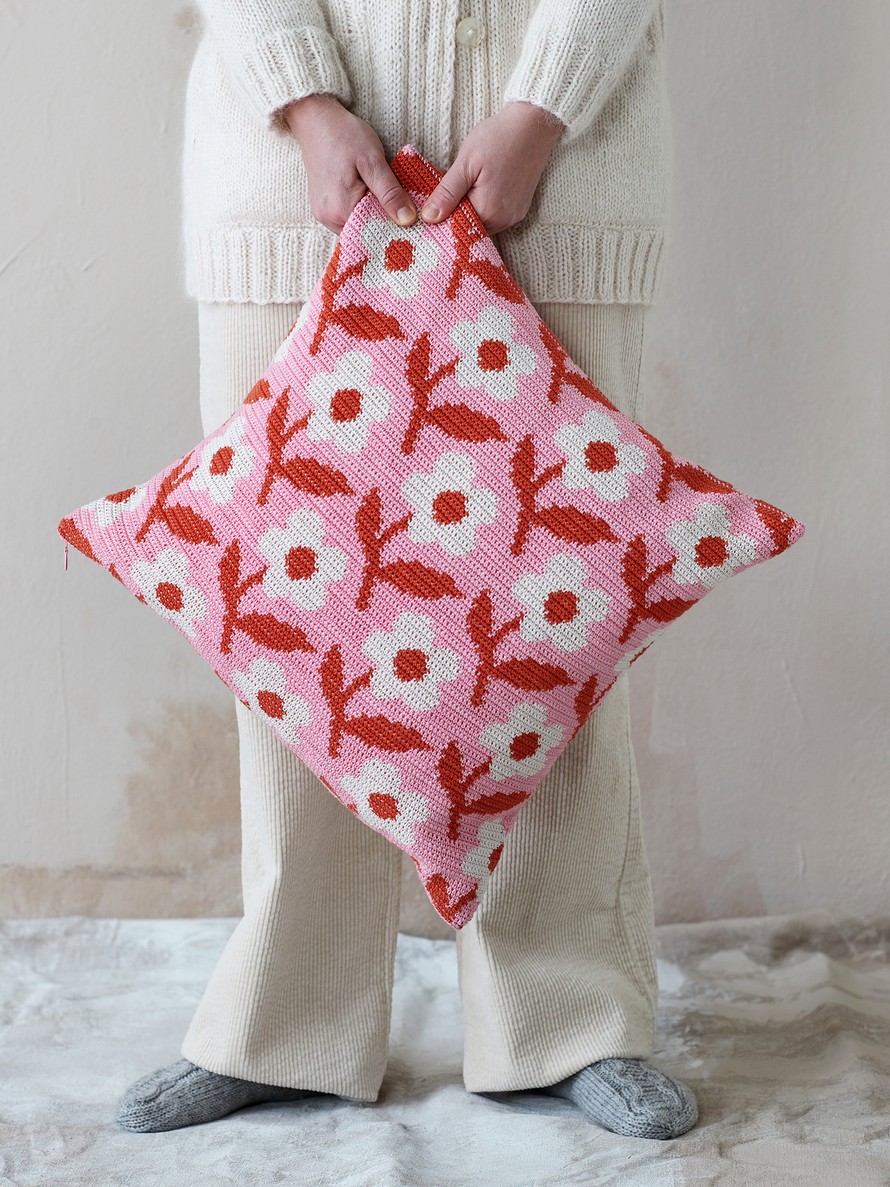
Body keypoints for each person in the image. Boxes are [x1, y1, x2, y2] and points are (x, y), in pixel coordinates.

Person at [116, 0, 699, 1140]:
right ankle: (283, 1021)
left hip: (562, 177)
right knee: (292, 624)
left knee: (552, 621)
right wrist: (301, 98)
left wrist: (545, 104)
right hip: (287, 190)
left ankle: (571, 1019)